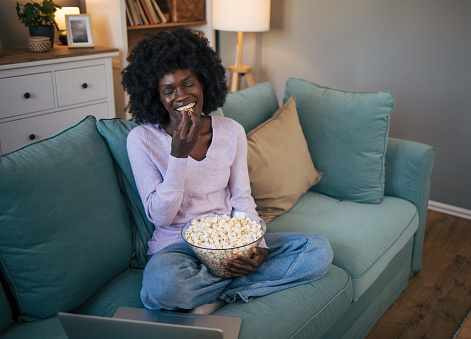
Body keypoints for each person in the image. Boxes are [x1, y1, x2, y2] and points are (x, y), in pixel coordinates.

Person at [122, 28, 333, 314]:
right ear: (155, 96)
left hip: (231, 242)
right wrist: (178, 154)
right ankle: (233, 287)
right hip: (175, 248)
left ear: (204, 83)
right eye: (168, 90)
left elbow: (242, 199)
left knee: (318, 251)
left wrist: (256, 247)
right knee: (162, 287)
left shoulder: (231, 131)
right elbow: (160, 215)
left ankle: (217, 295)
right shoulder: (142, 140)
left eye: (189, 84)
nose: (181, 96)